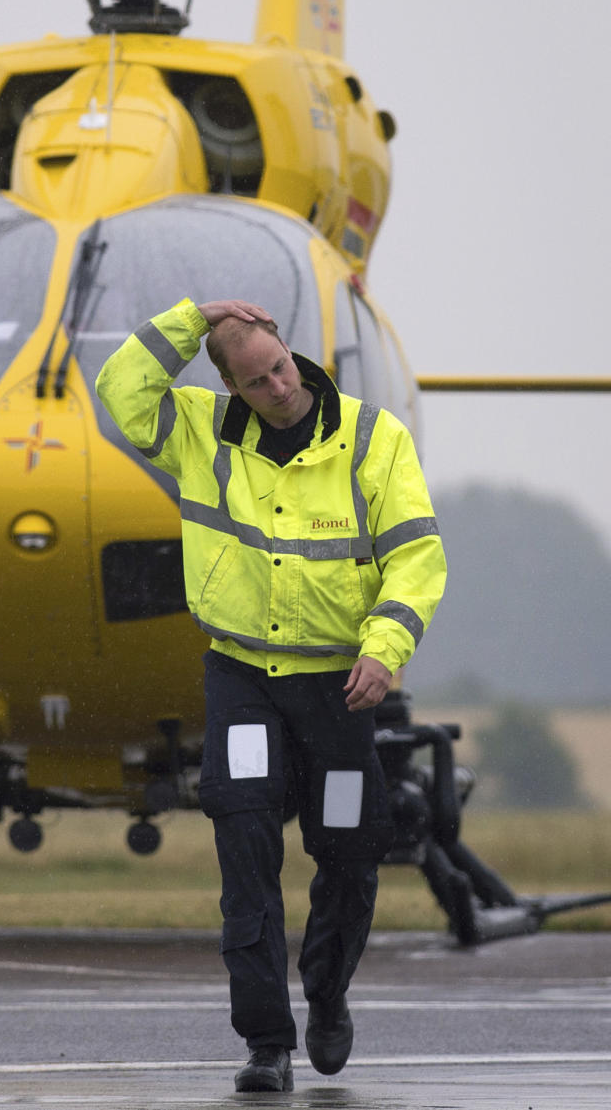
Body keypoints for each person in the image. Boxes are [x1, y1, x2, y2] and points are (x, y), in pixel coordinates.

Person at [96, 297, 447, 1093]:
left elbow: (419, 560)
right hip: (244, 676)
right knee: (246, 848)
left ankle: (327, 995)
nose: (279, 388)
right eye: (256, 382)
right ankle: (266, 1042)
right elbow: (119, 390)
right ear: (230, 385)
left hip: (342, 685)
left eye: (281, 367)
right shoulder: (197, 430)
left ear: (291, 349)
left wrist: (384, 650)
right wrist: (194, 316)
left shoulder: (372, 438)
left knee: (351, 854)